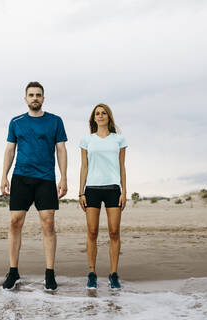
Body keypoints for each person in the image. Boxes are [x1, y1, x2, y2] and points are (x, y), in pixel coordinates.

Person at [0, 81, 68, 291]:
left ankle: (50, 273)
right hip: (21, 177)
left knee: (48, 224)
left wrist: (63, 177)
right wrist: (4, 175)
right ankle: (13, 271)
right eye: (31, 95)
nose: (35, 98)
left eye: (38, 95)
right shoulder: (16, 122)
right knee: (15, 222)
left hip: (46, 179)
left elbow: (61, 150)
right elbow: (10, 150)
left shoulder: (55, 121)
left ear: (43, 98)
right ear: (25, 99)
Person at [78, 103, 128, 290]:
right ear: (94, 118)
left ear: (109, 117)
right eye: (97, 114)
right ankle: (92, 273)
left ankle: (113, 274)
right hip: (92, 188)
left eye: (103, 113)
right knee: (92, 232)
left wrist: (124, 191)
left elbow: (122, 167)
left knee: (114, 232)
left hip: (113, 188)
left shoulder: (119, 140)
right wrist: (81, 191)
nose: (100, 116)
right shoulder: (86, 140)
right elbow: (84, 167)